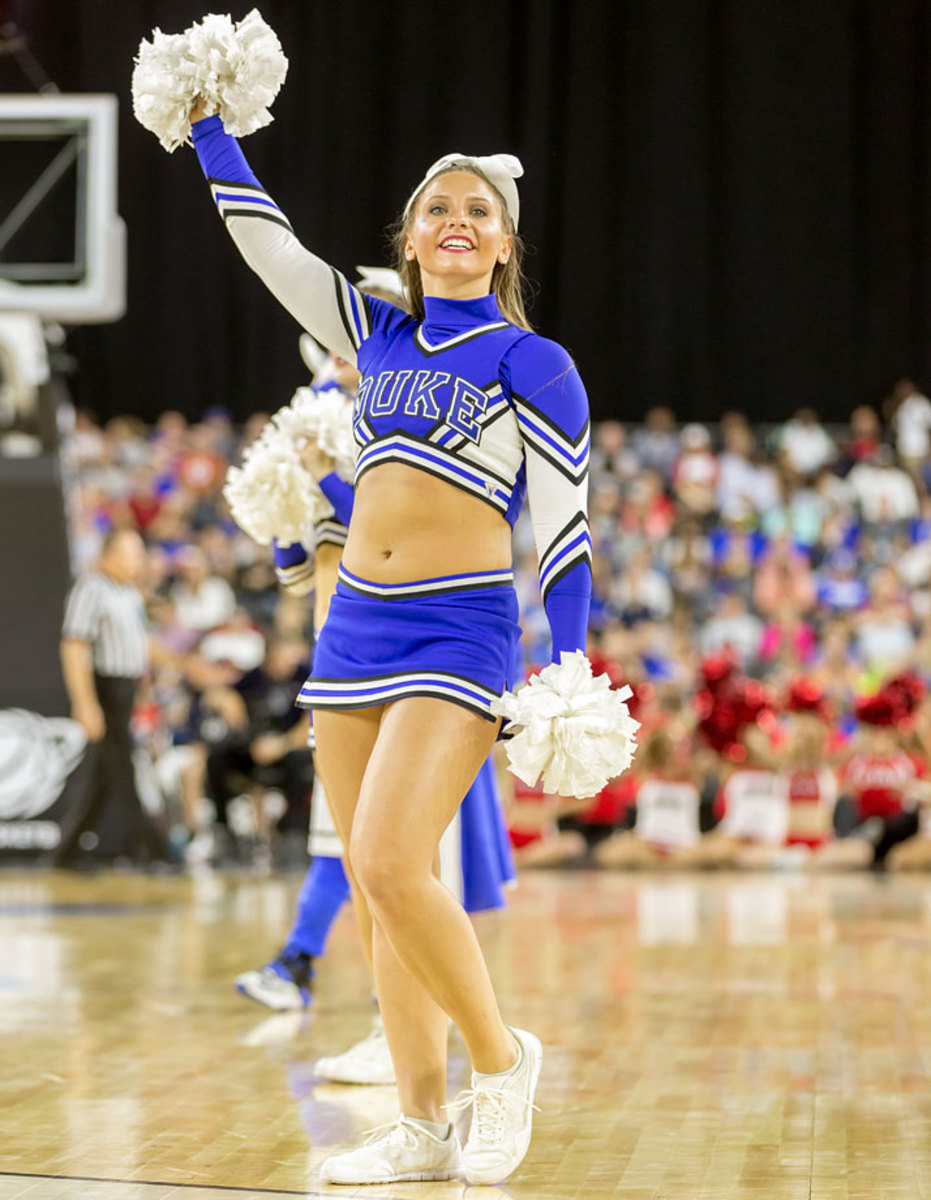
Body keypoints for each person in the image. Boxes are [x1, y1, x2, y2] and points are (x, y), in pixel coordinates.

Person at [187, 103, 592, 1185]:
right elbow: (265, 238)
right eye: (435, 208)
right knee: (375, 893)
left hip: (458, 630)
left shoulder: (532, 360)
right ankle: (419, 1124)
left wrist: (573, 660)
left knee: (383, 857)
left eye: (479, 210)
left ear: (505, 243)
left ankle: (502, 1063)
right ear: (408, 236)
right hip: (352, 629)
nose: (456, 220)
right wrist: (208, 127)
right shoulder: (373, 334)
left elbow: (563, 525)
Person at [57, 528, 173, 867]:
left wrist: (144, 695)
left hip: (126, 688)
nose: (138, 560)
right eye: (131, 553)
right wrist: (85, 703)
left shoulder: (129, 592)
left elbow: (141, 647)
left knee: (102, 776)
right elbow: (74, 646)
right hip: (104, 688)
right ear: (109, 555)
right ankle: (154, 851)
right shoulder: (90, 589)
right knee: (122, 771)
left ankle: (63, 855)